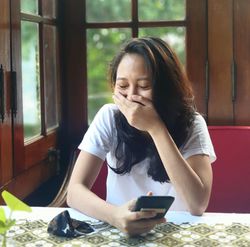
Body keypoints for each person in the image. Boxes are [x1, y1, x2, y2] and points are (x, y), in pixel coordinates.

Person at [67, 37, 216, 236]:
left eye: (144, 86)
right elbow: (74, 191)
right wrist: (115, 216)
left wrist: (156, 128)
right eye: (122, 86)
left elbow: (198, 204)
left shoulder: (193, 123)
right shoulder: (109, 117)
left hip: (177, 233)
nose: (131, 96)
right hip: (119, 230)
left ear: (166, 87)